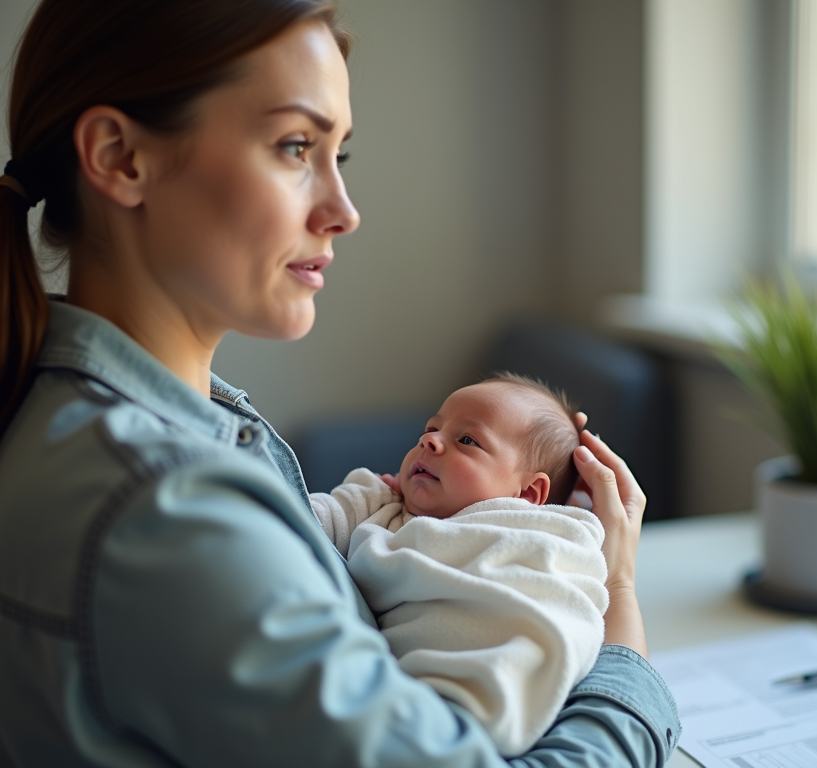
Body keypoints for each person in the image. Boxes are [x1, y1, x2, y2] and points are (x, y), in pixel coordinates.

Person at [0, 0, 680, 765]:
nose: (344, 211)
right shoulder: (164, 513)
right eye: (295, 147)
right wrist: (621, 617)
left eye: (338, 156)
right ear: (121, 157)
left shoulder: (140, 423)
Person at [310, 374, 608, 756]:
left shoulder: (549, 536)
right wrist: (359, 498)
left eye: (467, 440)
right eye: (431, 429)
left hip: (513, 698)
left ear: (529, 494)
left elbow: (570, 599)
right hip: (414, 709)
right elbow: (298, 519)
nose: (428, 441)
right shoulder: (384, 505)